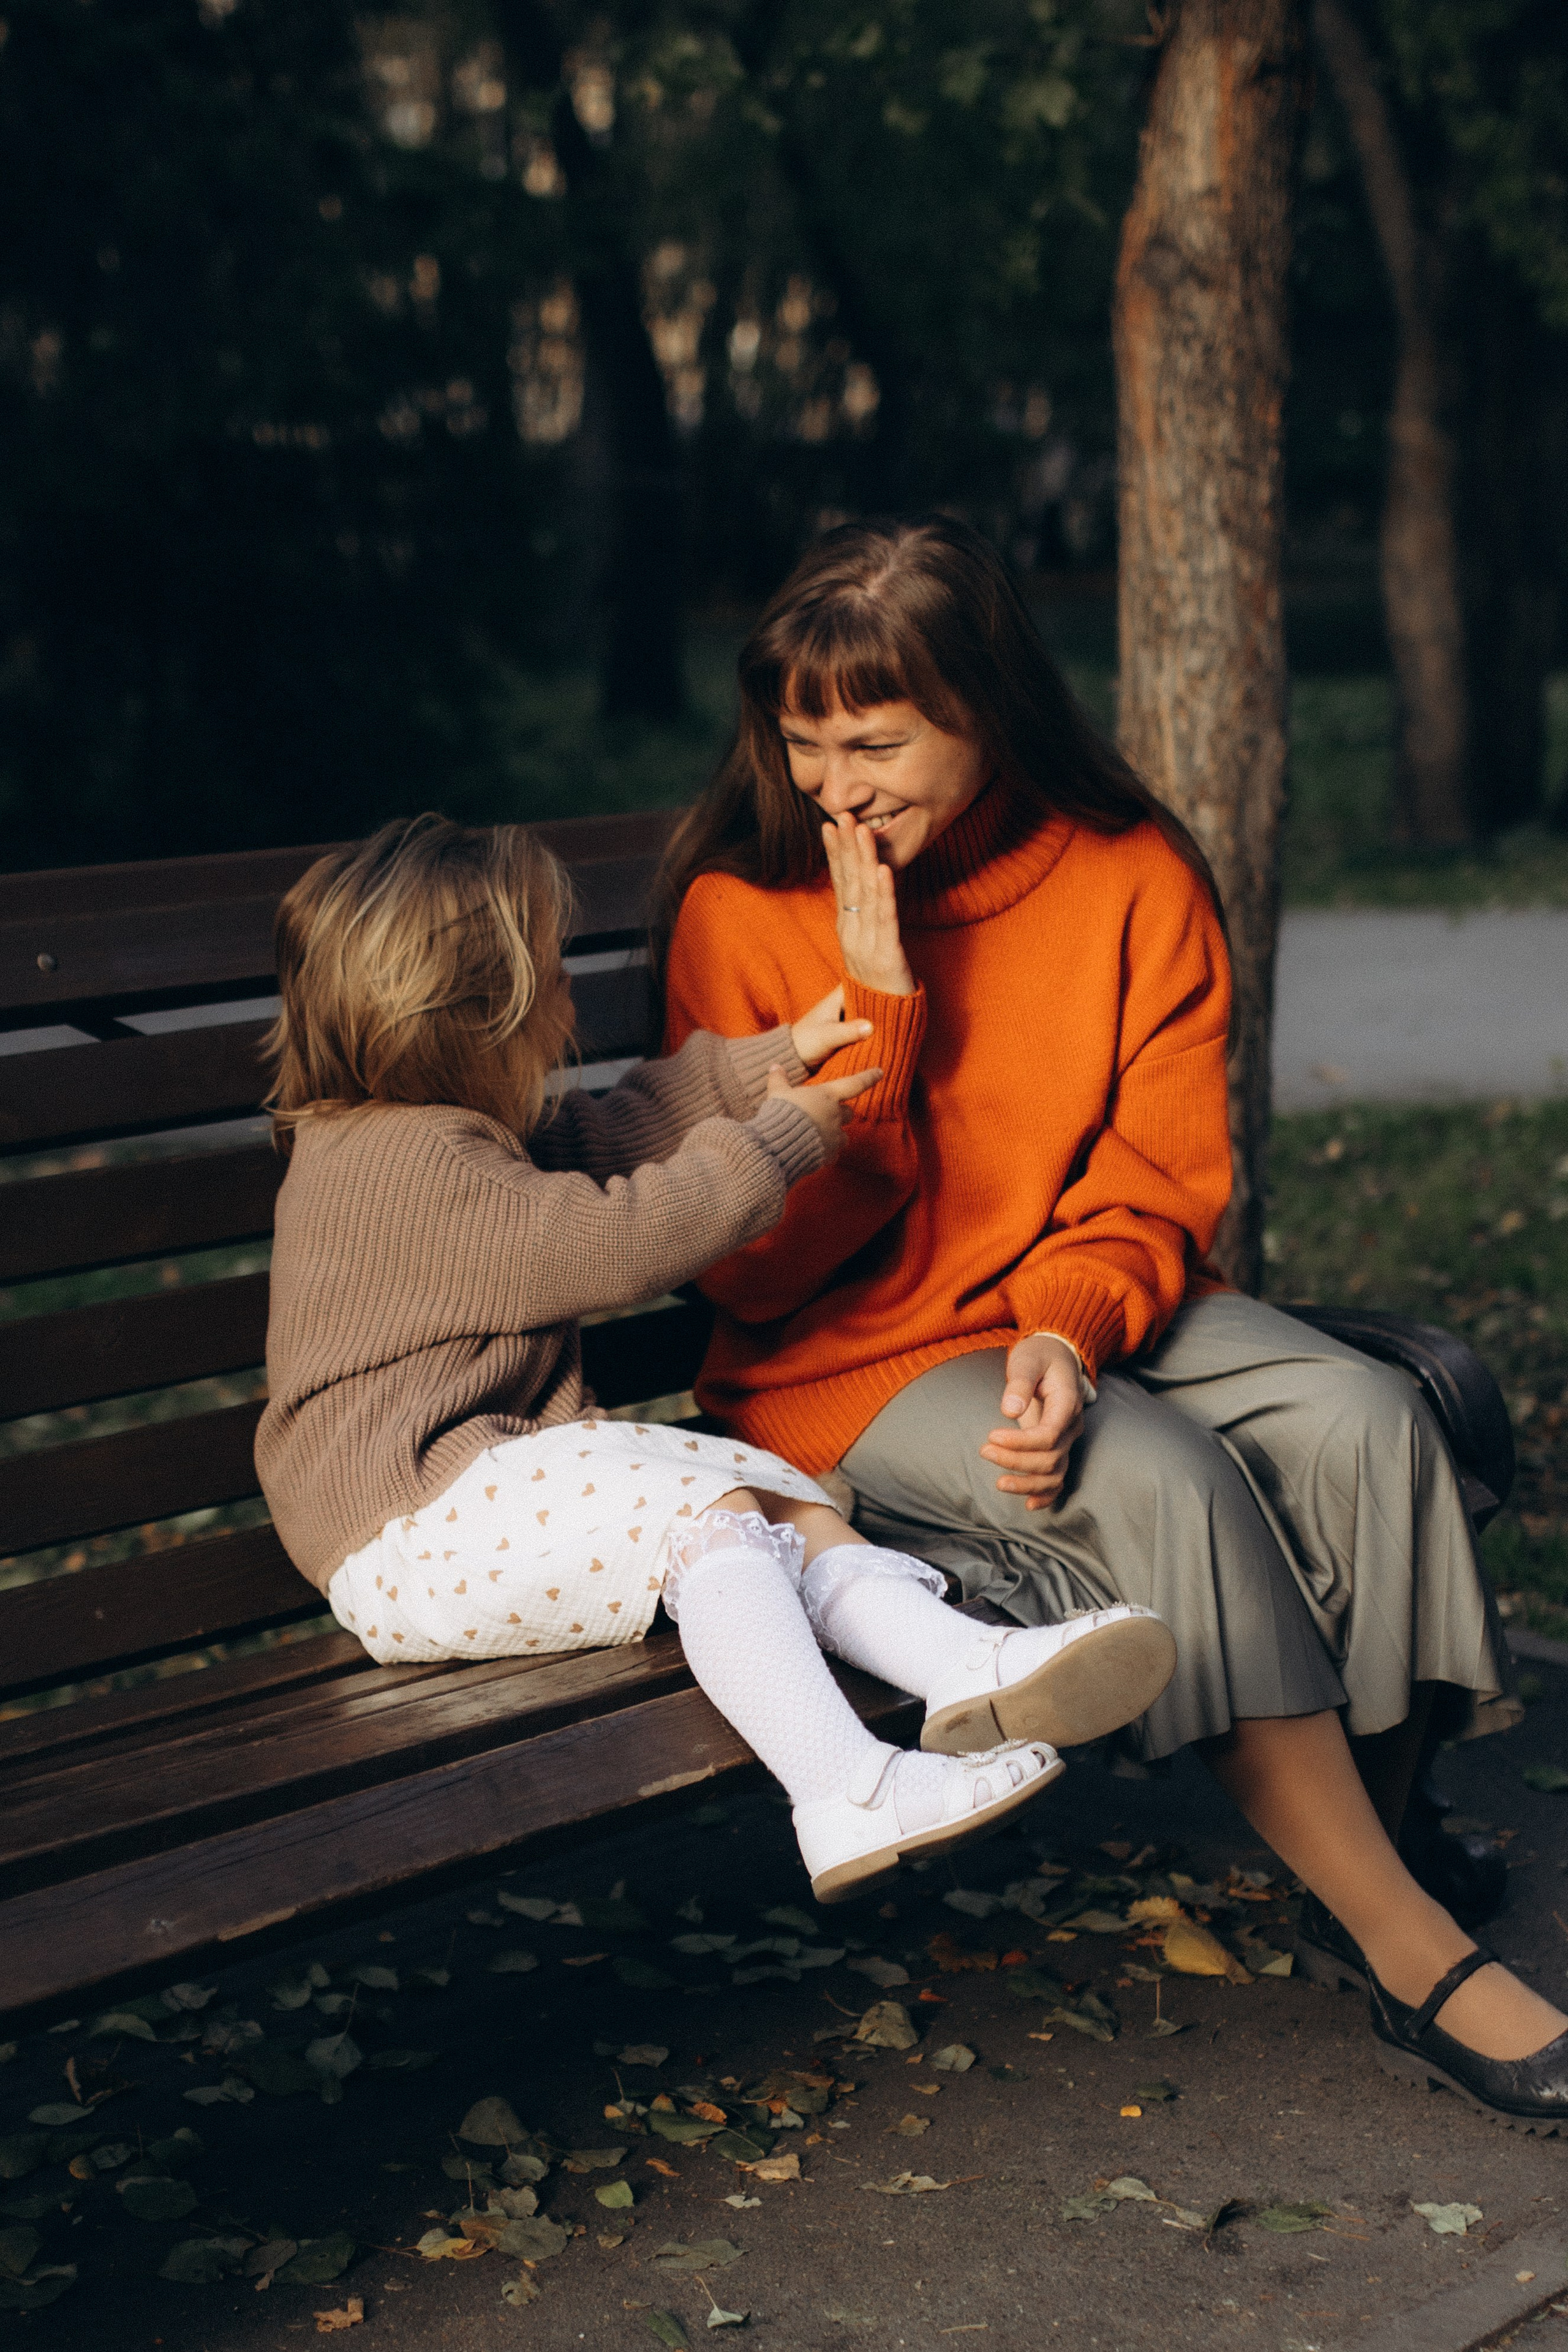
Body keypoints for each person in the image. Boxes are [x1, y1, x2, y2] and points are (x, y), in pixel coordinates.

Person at [657, 514, 1568, 2128]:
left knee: (1377, 1416)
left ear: (990, 710)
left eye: (877, 742)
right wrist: (875, 1020)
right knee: (1168, 1480)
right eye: (806, 747)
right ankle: (1408, 1944)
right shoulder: (746, 910)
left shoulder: (1130, 874)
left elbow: (1156, 1173)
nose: (836, 790)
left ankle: (1369, 1833)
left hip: (1064, 1299)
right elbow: (753, 1273)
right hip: (838, 1363)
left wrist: (1072, 1326)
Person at [254, 814, 1179, 1907]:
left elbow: (619, 1130)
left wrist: (784, 1053)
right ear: (471, 1020)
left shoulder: (435, 1130)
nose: (568, 1006)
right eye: (549, 980)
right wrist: (782, 1138)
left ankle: (961, 1667)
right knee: (714, 1520)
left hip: (468, 1500)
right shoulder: (402, 1166)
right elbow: (617, 1240)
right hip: (406, 1532)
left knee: (779, 1503)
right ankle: (843, 1790)